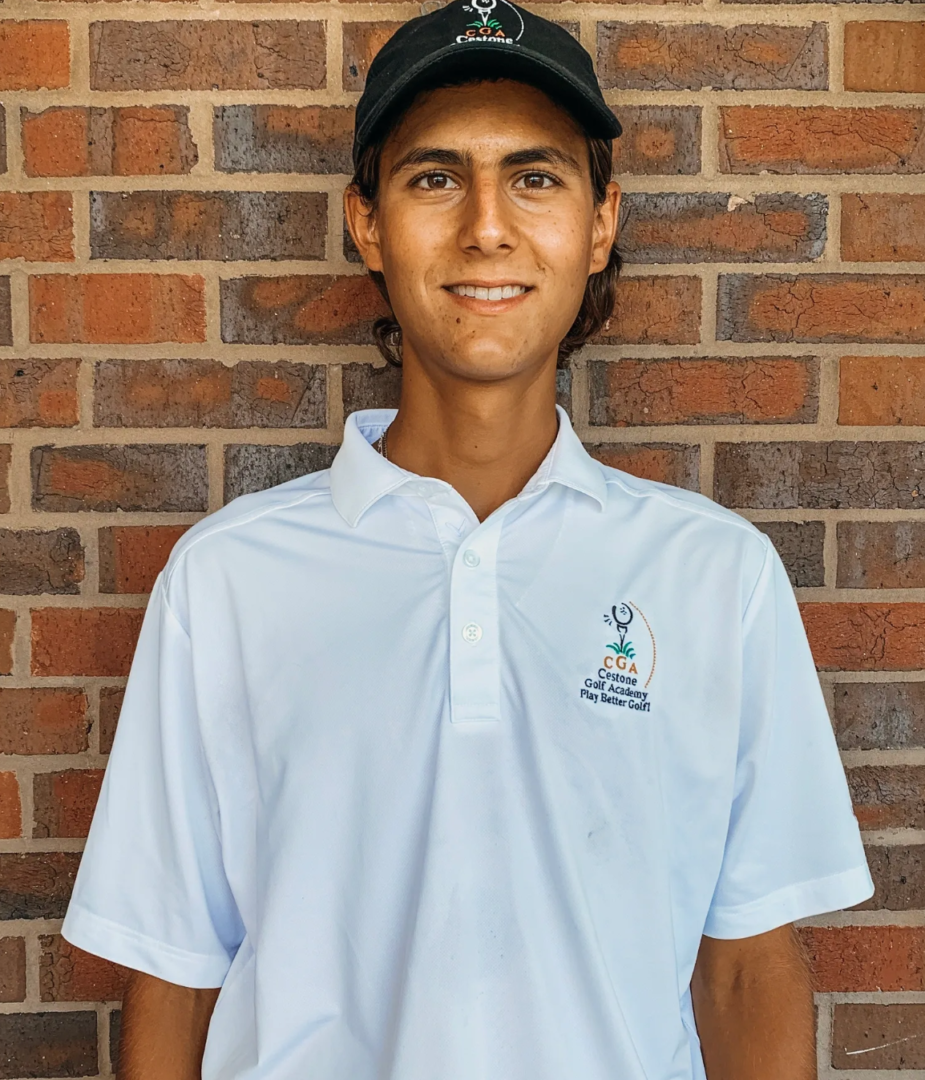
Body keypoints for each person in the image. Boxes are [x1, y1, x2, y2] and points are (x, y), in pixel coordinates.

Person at [62, 2, 874, 1077]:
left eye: (535, 177)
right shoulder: (226, 583)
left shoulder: (715, 577)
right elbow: (172, 971)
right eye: (434, 177)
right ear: (366, 223)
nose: (486, 225)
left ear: (599, 224)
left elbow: (744, 968)